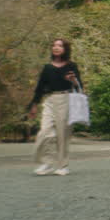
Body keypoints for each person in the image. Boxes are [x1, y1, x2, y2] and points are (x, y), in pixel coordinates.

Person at [26, 38, 83, 176]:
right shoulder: (47, 68)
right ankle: (46, 164)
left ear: (65, 49)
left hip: (66, 100)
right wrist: (34, 105)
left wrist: (73, 80)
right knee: (44, 132)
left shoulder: (71, 66)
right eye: (54, 45)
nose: (56, 47)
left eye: (60, 45)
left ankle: (63, 165)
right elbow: (39, 88)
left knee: (63, 135)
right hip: (50, 100)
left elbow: (80, 87)